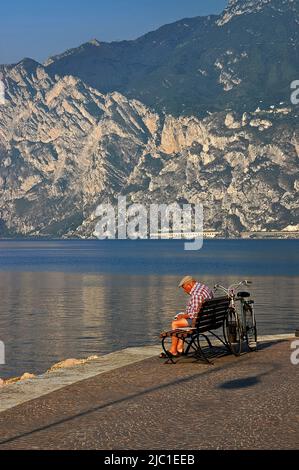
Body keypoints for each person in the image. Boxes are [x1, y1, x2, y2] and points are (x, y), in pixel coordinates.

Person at [160, 276, 214, 358]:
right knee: (181, 320)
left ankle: (173, 350)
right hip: (208, 319)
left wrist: (183, 315)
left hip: (200, 321)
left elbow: (194, 314)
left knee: (175, 323)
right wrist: (185, 315)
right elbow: (196, 310)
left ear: (189, 284)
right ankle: (180, 348)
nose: (185, 291)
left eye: (184, 288)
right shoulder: (204, 287)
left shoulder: (197, 294)